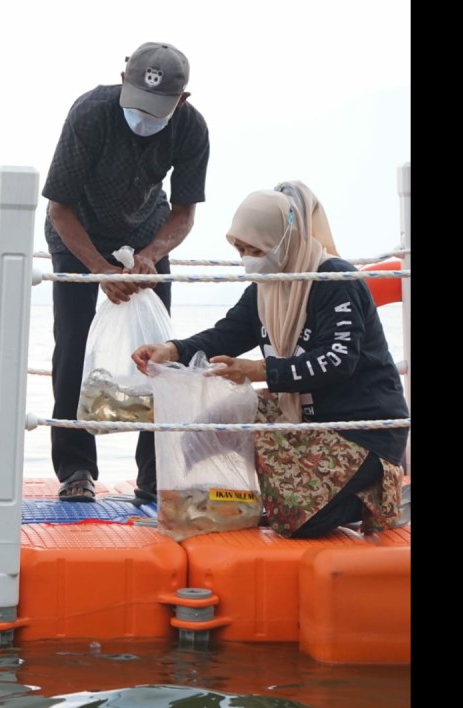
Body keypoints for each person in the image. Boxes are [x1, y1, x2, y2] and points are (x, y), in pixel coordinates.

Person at [131, 181, 407, 538]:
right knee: (209, 428)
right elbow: (227, 333)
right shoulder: (266, 288)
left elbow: (339, 360)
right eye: (240, 248)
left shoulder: (336, 281)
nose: (247, 258)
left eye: (254, 249)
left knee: (298, 523)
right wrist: (171, 349)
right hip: (307, 424)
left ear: (283, 240)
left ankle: (372, 497)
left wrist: (258, 370)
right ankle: (185, 494)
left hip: (364, 434)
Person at [42, 41, 210, 504]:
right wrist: (98, 268)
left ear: (183, 100)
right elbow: (60, 208)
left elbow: (183, 212)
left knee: (159, 353)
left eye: (158, 111)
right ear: (122, 81)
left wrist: (153, 254)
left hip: (147, 233)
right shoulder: (91, 114)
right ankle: (76, 467)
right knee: (73, 346)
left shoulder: (191, 129)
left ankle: (154, 474)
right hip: (78, 232)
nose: (144, 120)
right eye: (137, 105)